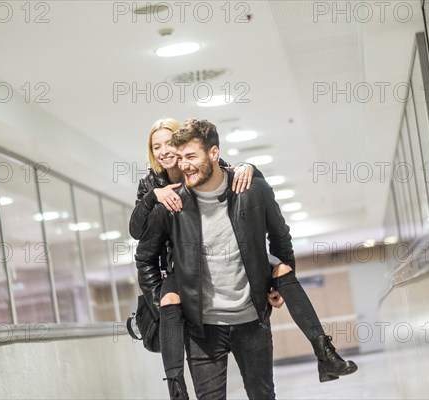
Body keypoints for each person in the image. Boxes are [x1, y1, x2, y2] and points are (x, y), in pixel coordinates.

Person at [135, 119, 357, 399]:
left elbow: (281, 239)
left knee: (263, 396)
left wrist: (275, 288)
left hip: (252, 322)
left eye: (191, 156)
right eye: (180, 159)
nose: (184, 165)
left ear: (213, 153)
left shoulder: (250, 190)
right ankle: (175, 387)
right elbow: (145, 259)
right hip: (202, 329)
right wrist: (166, 306)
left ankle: (324, 352)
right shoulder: (169, 204)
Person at [130, 118, 276, 399]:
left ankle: (322, 348)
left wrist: (250, 167)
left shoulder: (204, 169)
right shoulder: (151, 183)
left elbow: (233, 172)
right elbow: (140, 237)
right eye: (155, 146)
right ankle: (175, 386)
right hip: (180, 272)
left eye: (170, 143)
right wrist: (153, 197)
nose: (164, 151)